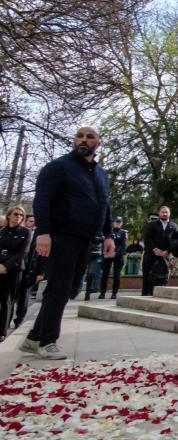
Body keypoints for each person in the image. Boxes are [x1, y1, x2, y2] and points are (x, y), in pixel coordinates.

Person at [21, 127, 115, 359]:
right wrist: (43, 232)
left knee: (71, 288)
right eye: (80, 136)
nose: (84, 140)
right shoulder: (59, 167)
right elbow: (42, 200)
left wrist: (108, 235)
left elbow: (105, 205)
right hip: (62, 236)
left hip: (86, 239)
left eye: (90, 137)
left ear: (98, 143)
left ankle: (34, 337)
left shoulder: (100, 174)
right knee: (58, 288)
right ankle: (47, 341)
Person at [0, 206, 30, 341]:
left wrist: (6, 266)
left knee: (7, 300)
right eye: (16, 214)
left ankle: (2, 330)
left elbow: (23, 253)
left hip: (14, 270)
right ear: (9, 216)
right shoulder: (2, 231)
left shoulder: (25, 232)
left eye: (21, 215)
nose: (19, 217)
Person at [141, 206, 178, 296]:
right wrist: (154, 249)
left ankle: (158, 294)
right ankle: (145, 293)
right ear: (159, 213)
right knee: (147, 274)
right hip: (151, 254)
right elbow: (147, 239)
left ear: (169, 213)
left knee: (162, 276)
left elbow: (176, 241)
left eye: (166, 212)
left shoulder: (174, 226)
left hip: (164, 256)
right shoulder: (152, 224)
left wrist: (167, 251)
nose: (165, 214)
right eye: (163, 212)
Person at [13, 214, 36, 328]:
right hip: (16, 267)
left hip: (29, 269)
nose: (33, 223)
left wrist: (40, 273)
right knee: (12, 294)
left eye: (34, 222)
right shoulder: (18, 233)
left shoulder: (38, 236)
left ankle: (19, 319)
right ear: (25, 221)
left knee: (24, 295)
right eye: (31, 221)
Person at [99, 217, 128, 299]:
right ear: (113, 222)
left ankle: (114, 293)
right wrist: (107, 253)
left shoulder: (123, 233)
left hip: (118, 256)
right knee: (104, 274)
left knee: (116, 275)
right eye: (116, 222)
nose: (118, 223)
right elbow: (105, 243)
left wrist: (116, 253)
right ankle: (102, 293)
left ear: (122, 223)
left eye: (119, 222)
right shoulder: (109, 232)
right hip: (108, 255)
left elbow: (123, 245)